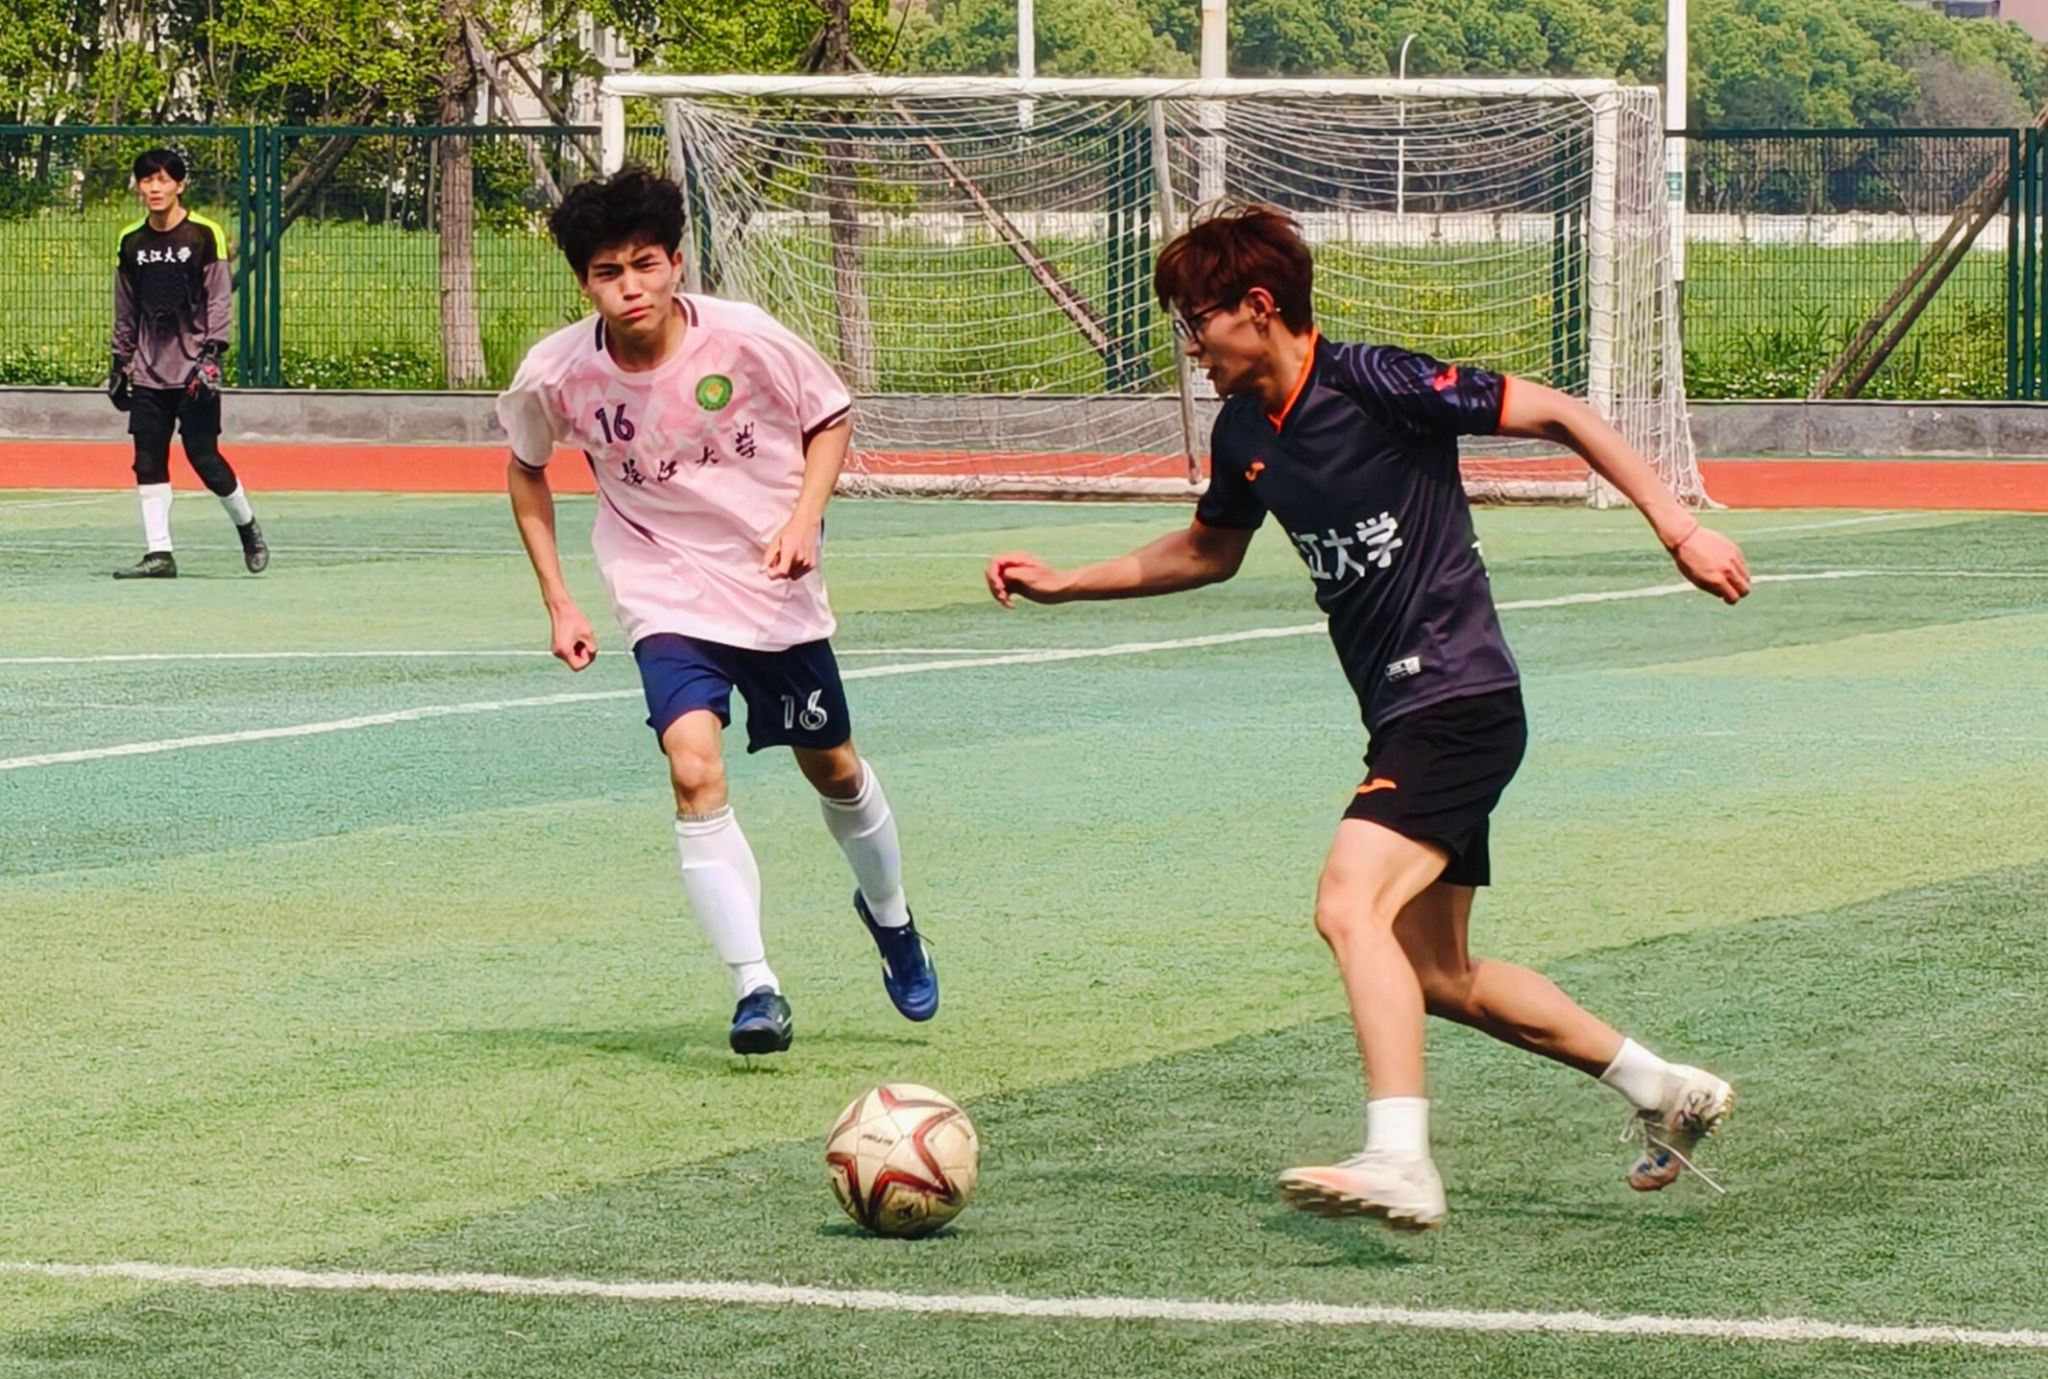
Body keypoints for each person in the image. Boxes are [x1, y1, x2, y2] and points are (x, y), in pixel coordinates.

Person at [985, 204, 1751, 1230]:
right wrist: (1066, 582)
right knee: (1437, 973)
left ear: (1258, 308)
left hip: (1459, 698)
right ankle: (1665, 1090)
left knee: (1349, 905)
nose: (1190, 347)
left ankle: (1400, 1158)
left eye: (1196, 322)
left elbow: (1564, 414)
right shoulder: (1243, 432)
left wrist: (1678, 528)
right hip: (1405, 712)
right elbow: (1209, 551)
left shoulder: (1377, 383)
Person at [495, 167, 937, 1056]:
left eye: (645, 265)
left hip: (770, 589)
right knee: (693, 768)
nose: (630, 287)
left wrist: (803, 520)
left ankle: (891, 918)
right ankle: (754, 986)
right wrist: (560, 601)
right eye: (608, 272)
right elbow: (526, 468)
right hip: (661, 591)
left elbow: (831, 416)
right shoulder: (557, 373)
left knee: (834, 769)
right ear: (584, 283)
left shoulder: (745, 338)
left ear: (675, 263)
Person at [108, 146, 267, 579]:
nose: (154, 188)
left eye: (163, 179)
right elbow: (126, 306)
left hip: (195, 368)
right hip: (148, 370)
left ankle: (248, 529)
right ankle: (159, 553)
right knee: (147, 459)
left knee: (204, 458)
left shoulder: (203, 235)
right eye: (147, 180)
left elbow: (219, 298)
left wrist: (213, 354)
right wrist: (120, 361)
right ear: (139, 186)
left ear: (180, 185)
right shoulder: (130, 241)